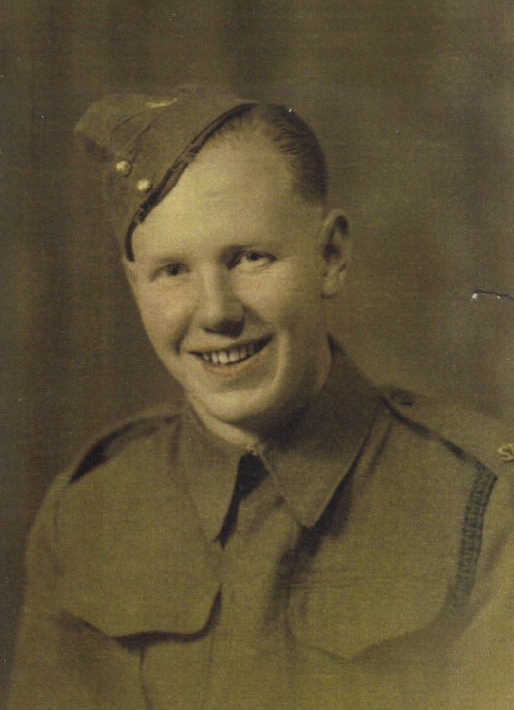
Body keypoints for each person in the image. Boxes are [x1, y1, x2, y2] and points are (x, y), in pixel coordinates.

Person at [8, 84, 514, 709]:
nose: (215, 312)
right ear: (134, 284)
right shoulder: (88, 511)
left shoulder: (482, 505)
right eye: (173, 270)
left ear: (330, 255)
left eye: (250, 257)